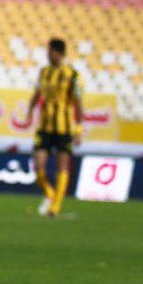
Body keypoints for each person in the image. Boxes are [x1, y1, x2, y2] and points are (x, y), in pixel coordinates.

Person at [29, 38, 83, 218]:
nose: (47, 54)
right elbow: (37, 94)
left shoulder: (72, 75)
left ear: (58, 53)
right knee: (38, 165)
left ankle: (55, 207)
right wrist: (29, 111)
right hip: (45, 127)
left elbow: (78, 103)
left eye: (49, 51)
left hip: (64, 129)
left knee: (62, 166)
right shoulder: (44, 72)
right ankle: (50, 193)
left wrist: (79, 129)